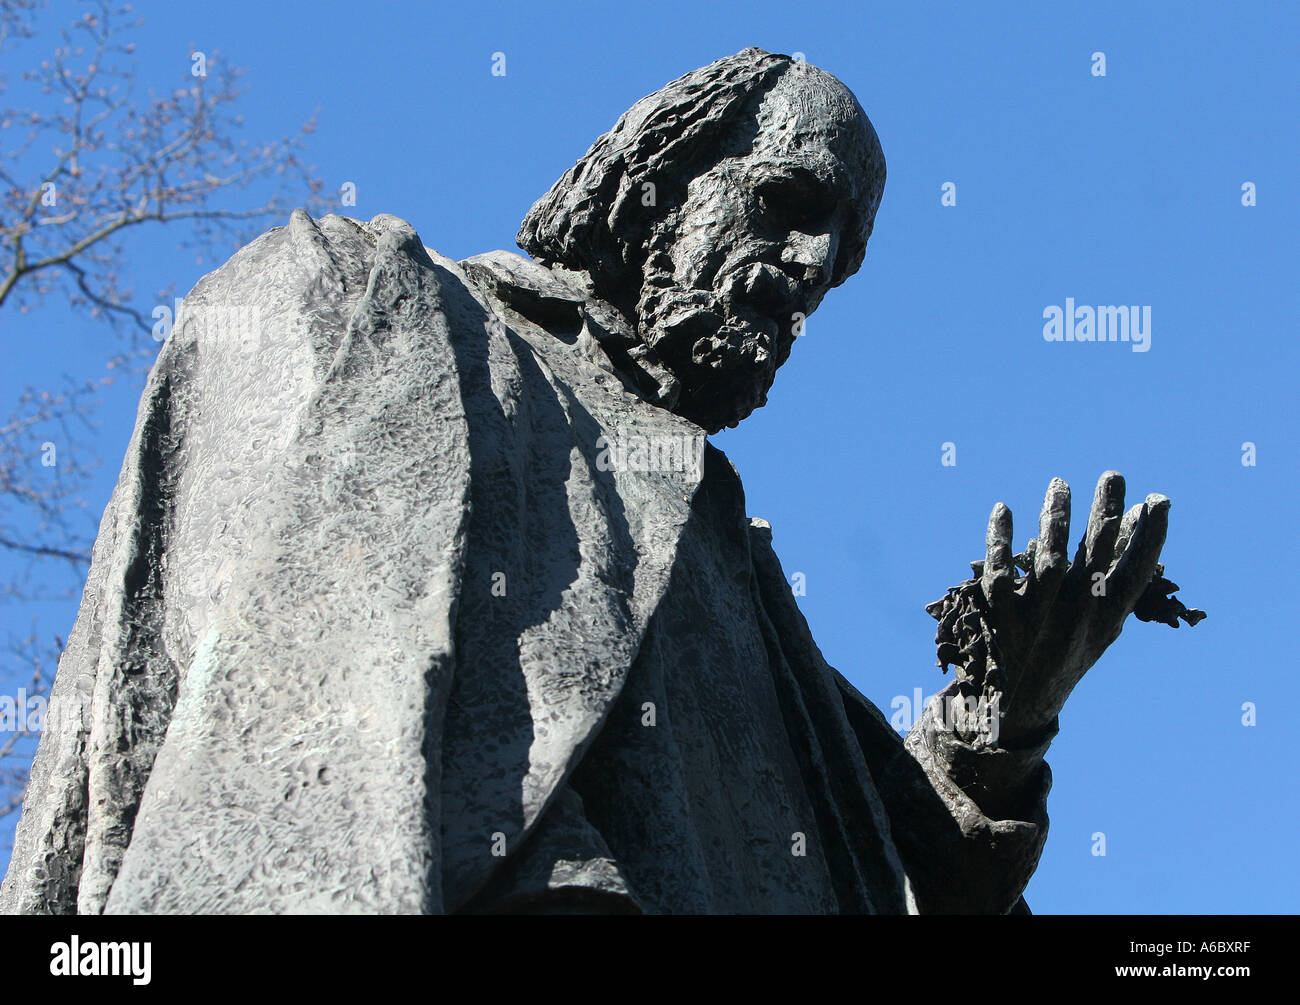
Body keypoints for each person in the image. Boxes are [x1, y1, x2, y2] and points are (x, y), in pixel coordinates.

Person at [1, 47, 1200, 915]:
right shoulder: (390, 308)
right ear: (649, 187)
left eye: (841, 261)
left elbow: (897, 873)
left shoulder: (724, 549)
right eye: (784, 206)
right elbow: (292, 731)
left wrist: (1005, 721)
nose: (808, 269)